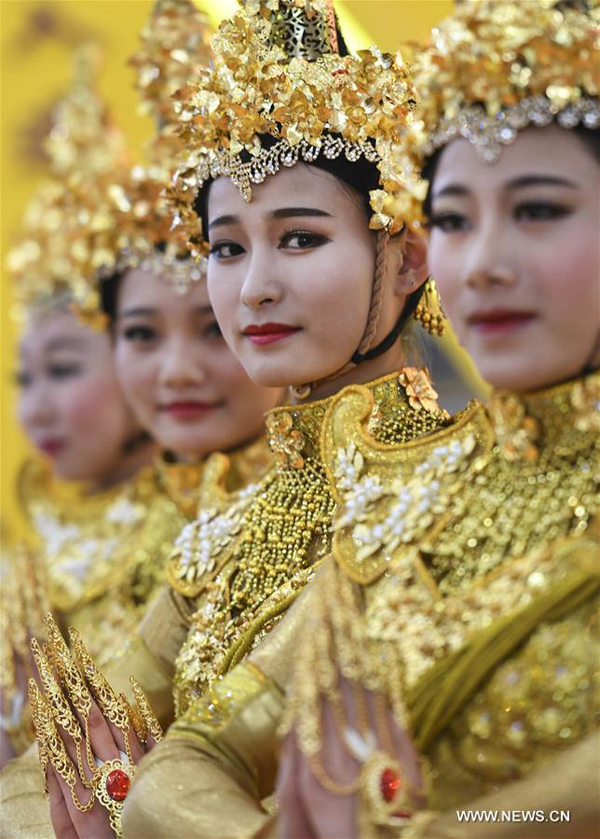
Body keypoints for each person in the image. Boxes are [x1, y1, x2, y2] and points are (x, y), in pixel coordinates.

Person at [27, 2, 456, 836]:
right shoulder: (218, 538)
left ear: (408, 259)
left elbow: (166, 781)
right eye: (227, 247)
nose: (252, 284)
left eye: (298, 238)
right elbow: (44, 769)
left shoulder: (450, 487)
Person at [274, 1, 599, 836]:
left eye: (537, 210)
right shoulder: (407, 499)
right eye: (455, 218)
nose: (484, 264)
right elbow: (201, 752)